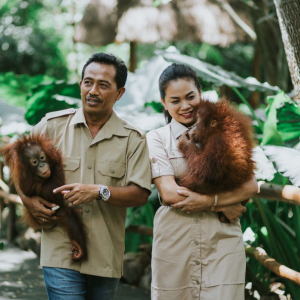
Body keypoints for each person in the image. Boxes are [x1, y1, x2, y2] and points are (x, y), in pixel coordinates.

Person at [16, 53, 152, 300]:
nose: (93, 91)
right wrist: (27, 200)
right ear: (80, 85)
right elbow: (17, 161)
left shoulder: (134, 139)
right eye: (88, 82)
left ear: (119, 93)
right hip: (60, 251)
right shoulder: (51, 126)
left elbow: (140, 194)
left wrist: (100, 191)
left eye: (103, 85)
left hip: (105, 255)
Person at [146, 63, 258, 300]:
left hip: (222, 241)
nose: (185, 106)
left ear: (200, 94)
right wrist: (221, 204)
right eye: (175, 100)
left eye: (190, 97)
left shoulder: (224, 130)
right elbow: (169, 193)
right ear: (164, 103)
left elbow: (251, 185)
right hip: (176, 242)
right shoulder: (156, 139)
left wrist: (208, 199)